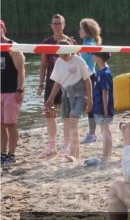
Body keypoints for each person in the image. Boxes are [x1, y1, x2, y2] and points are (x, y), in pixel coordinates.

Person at [45, 49, 93, 161]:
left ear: (70, 51)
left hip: (79, 95)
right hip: (66, 96)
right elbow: (57, 82)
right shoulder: (58, 61)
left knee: (73, 120)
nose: (64, 57)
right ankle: (76, 153)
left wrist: (90, 100)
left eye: (66, 54)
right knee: (70, 123)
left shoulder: (79, 61)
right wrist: (50, 98)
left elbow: (88, 81)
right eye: (61, 55)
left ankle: (73, 152)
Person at [37, 14, 74, 157]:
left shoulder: (70, 42)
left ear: (64, 25)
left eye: (60, 23)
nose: (57, 26)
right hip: (52, 81)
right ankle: (51, 146)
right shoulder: (47, 42)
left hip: (67, 82)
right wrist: (40, 84)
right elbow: (43, 65)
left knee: (66, 115)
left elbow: (76, 63)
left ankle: (66, 145)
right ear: (51, 25)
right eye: (55, 23)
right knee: (50, 113)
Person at [0, 20, 25, 167]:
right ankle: (2, 154)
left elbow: (21, 70)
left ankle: (11, 154)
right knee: (1, 125)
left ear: (4, 29)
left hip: (11, 91)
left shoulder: (12, 46)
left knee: (10, 124)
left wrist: (20, 89)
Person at [78, 18, 101, 144]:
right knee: (87, 106)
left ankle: (92, 134)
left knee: (90, 107)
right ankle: (91, 133)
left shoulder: (90, 45)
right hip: (86, 77)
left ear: (87, 31)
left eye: (81, 28)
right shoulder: (87, 43)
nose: (79, 31)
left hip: (89, 77)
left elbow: (80, 57)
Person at [90, 52, 115, 164]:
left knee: (105, 132)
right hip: (99, 107)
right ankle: (106, 156)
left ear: (99, 57)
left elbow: (105, 92)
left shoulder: (104, 73)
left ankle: (105, 157)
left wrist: (105, 110)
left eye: (94, 54)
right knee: (105, 132)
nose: (92, 56)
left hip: (102, 108)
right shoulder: (103, 71)